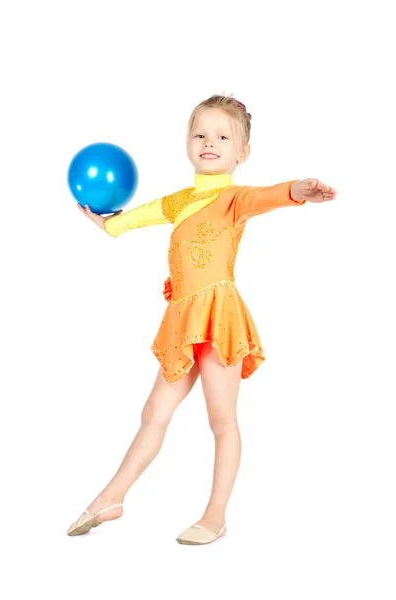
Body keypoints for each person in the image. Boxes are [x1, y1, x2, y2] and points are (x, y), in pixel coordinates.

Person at [67, 94, 337, 545]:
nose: (209, 142)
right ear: (187, 143)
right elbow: (140, 215)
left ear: (241, 153)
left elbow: (267, 196)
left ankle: (215, 516)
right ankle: (111, 498)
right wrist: (108, 224)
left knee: (221, 419)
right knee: (154, 411)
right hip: (182, 318)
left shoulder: (234, 199)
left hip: (218, 317)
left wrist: (298, 190)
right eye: (200, 134)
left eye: (222, 136)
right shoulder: (180, 200)